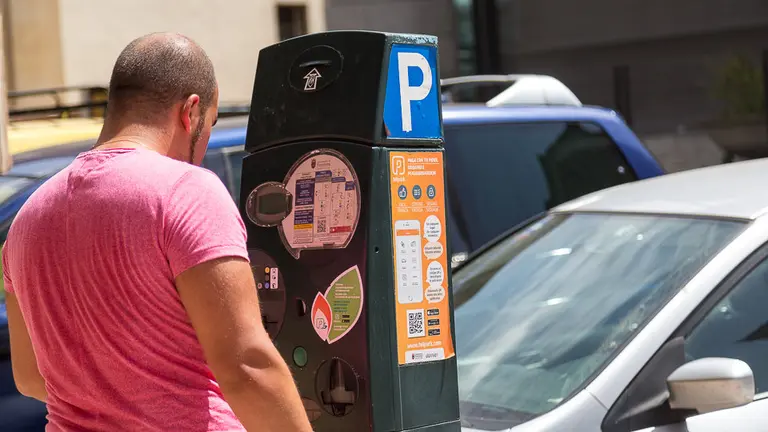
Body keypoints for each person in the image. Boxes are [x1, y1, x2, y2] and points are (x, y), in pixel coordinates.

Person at [3, 32, 313, 432]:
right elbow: (246, 366)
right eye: (211, 125)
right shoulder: (186, 191)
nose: (203, 148)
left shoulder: (27, 218)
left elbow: (29, 377)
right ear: (191, 111)